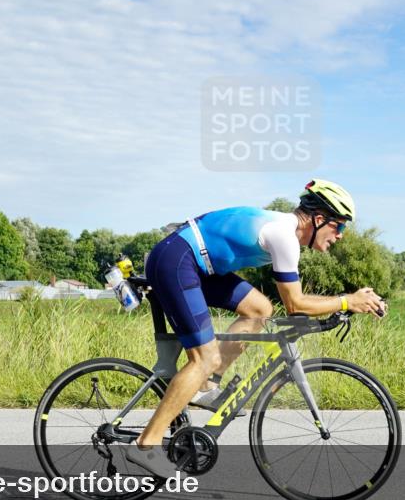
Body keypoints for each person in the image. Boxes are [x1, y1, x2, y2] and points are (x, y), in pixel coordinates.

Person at [124, 179, 386, 476]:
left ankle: (206, 385)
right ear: (318, 219)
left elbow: (287, 304)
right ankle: (146, 444)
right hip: (178, 259)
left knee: (260, 309)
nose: (340, 236)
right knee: (204, 358)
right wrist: (346, 302)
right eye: (338, 227)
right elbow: (296, 304)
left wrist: (344, 304)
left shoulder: (284, 230)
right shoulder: (284, 236)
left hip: (197, 263)